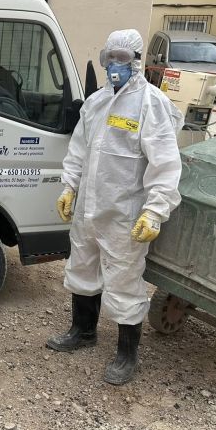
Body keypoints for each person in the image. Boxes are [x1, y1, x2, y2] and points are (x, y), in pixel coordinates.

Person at [47, 29, 184, 385]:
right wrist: (68, 187)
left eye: (123, 60)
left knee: (124, 281)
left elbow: (165, 165)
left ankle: (126, 354)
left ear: (137, 63)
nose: (115, 67)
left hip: (125, 214)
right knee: (82, 268)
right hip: (88, 210)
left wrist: (155, 210)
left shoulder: (151, 104)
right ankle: (83, 331)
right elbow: (79, 149)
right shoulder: (96, 102)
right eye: (111, 58)